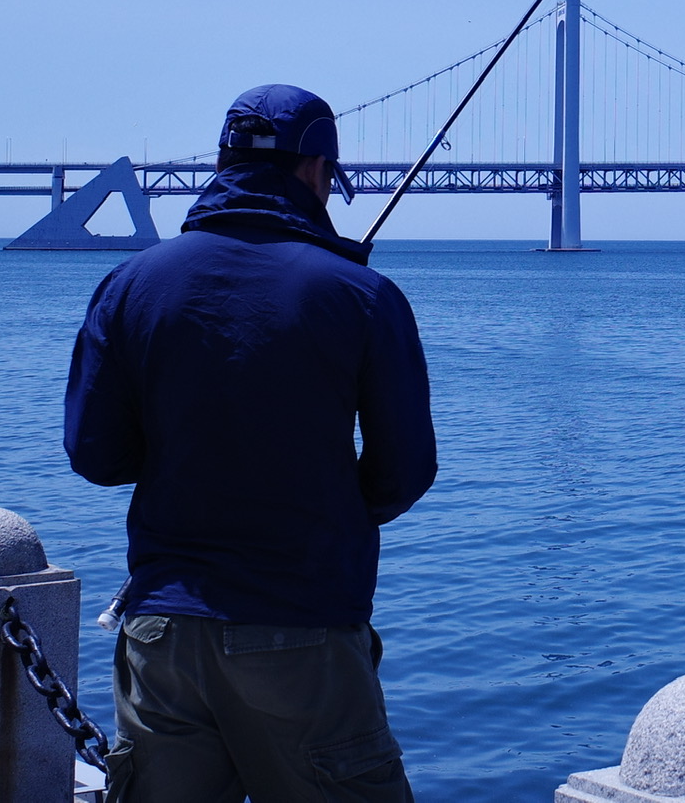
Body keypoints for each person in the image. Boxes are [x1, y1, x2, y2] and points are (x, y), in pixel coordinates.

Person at [65, 84, 438, 802]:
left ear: (222, 164)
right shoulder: (364, 296)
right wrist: (325, 503)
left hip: (163, 634)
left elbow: (95, 454)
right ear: (315, 169)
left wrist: (190, 466)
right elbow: (405, 471)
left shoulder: (130, 283)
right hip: (304, 629)